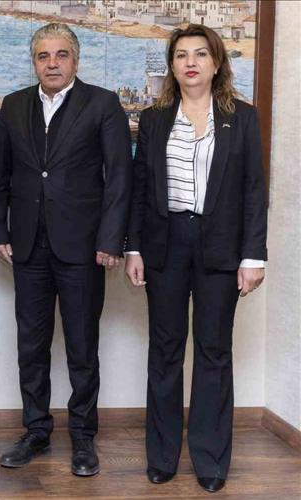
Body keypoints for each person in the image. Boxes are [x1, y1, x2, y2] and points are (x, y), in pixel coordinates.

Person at [0, 23, 132, 477]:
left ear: (75, 60)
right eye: (43, 56)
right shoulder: (14, 105)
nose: (52, 63)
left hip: (84, 250)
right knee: (31, 346)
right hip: (27, 247)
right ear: (34, 62)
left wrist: (110, 241)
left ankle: (83, 436)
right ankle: (36, 430)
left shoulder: (103, 104)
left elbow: (119, 178)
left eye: (61, 54)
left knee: (82, 347)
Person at [124, 24, 267, 493]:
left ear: (216, 62)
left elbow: (253, 190)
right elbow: (139, 189)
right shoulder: (154, 119)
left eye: (200, 54)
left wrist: (254, 256)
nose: (191, 62)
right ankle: (162, 456)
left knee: (213, 351)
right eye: (181, 54)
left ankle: (210, 460)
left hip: (221, 246)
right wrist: (133, 247)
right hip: (165, 245)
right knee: (165, 350)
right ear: (172, 66)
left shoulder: (242, 118)